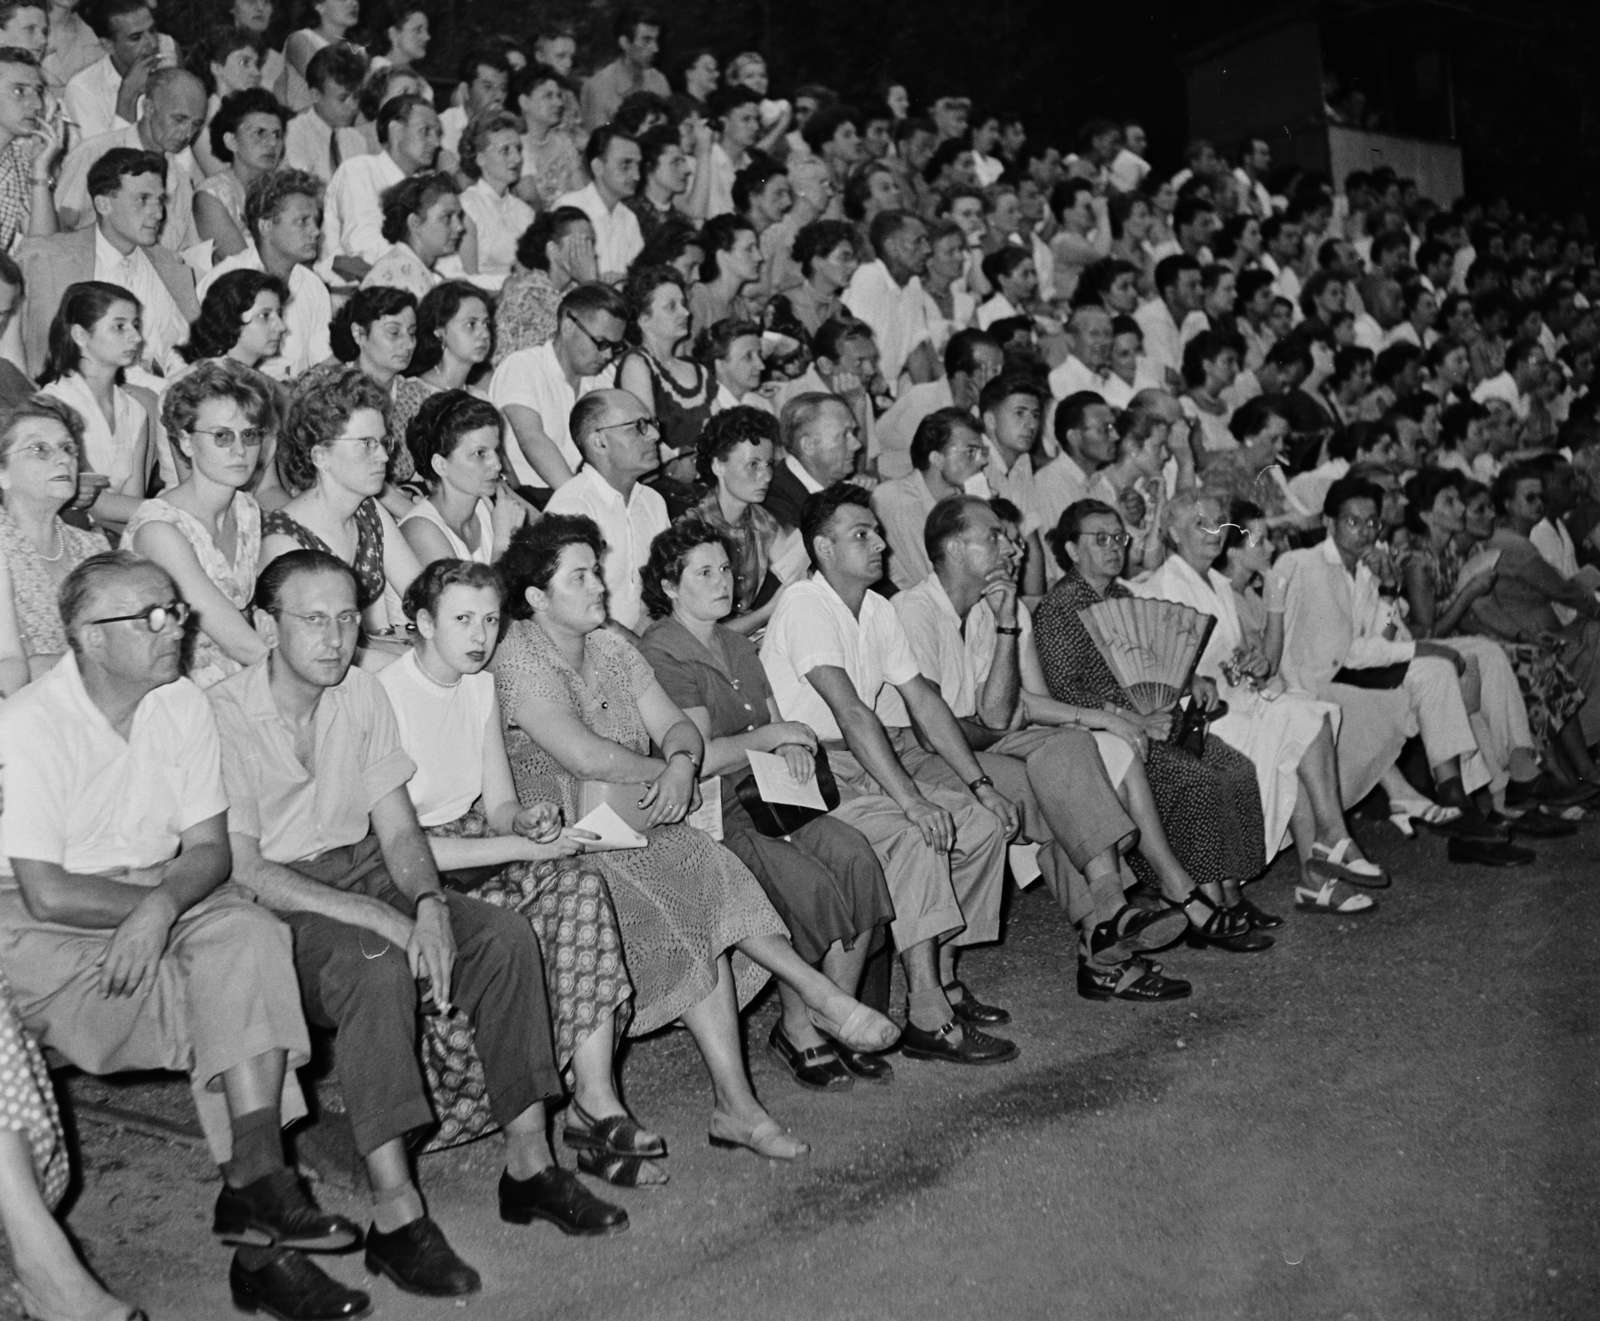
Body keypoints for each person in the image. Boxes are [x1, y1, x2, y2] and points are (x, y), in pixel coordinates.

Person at [211, 549, 628, 1297]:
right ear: (264, 624)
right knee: (375, 961)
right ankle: (397, 1216)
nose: (336, 637)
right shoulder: (222, 714)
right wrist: (388, 917)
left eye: (347, 617)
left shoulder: (360, 694)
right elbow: (243, 867)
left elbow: (399, 831)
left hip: (367, 867)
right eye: (314, 619)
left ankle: (531, 1165)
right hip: (279, 901)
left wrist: (431, 905)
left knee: (499, 938)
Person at [1, 550, 369, 1321]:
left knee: (251, 938)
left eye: (176, 609)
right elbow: (46, 887)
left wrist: (159, 909)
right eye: (150, 616)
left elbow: (208, 850)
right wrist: (151, 910)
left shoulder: (181, 704)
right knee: (227, 998)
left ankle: (261, 1186)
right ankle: (263, 1246)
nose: (175, 628)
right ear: (88, 638)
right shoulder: (31, 720)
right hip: (40, 919)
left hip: (154, 892)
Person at [492, 515, 898, 1157]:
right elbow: (587, 757)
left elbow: (678, 728)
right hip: (563, 838)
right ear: (538, 598)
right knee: (689, 897)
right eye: (581, 576)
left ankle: (742, 1102)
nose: (599, 585)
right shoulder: (520, 655)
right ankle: (806, 1015)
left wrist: (681, 764)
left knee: (706, 865)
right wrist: (672, 771)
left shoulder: (612, 645)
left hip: (633, 822)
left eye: (597, 571)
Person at [377, 559, 663, 1184]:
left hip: (472, 846)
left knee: (580, 884)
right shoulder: (386, 697)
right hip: (408, 872)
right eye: (461, 620)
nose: (479, 635)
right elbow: (397, 847)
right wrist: (520, 849)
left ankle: (595, 1099)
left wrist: (527, 821)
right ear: (423, 623)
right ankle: (546, 1116)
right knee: (548, 890)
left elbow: (498, 805)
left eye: (488, 619)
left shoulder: (480, 685)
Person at [759, 483, 1022, 1059]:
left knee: (979, 824)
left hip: (857, 762)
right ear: (823, 549)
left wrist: (980, 785)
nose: (880, 542)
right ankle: (929, 1014)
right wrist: (911, 800)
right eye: (862, 534)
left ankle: (943, 982)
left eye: (876, 530)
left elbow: (922, 699)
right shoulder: (805, 604)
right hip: (803, 772)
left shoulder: (876, 607)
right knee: (915, 833)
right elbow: (850, 712)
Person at [636, 520, 900, 1088]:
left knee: (854, 855)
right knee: (805, 882)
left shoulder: (733, 641)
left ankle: (824, 1019)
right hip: (716, 811)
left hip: (773, 793)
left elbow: (776, 720)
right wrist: (770, 739)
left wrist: (793, 744)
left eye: (726, 570)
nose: (722, 581)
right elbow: (698, 757)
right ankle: (804, 1026)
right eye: (703, 572)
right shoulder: (663, 650)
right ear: (670, 585)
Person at [898, 494, 1198, 990]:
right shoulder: (913, 609)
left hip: (980, 740)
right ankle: (1106, 942)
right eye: (993, 536)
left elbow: (1000, 711)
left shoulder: (984, 610)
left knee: (1070, 749)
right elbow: (939, 727)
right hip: (921, 752)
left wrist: (1005, 623)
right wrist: (999, 719)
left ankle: (1110, 919)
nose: (1009, 548)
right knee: (1061, 785)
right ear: (954, 547)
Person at [1033, 499, 1272, 949]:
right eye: (1099, 539)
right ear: (1070, 550)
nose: (1113, 548)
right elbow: (1064, 691)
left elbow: (1159, 659)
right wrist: (1131, 717)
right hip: (1107, 730)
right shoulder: (1059, 608)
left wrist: (1192, 677)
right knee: (1198, 780)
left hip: (1156, 718)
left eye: (1119, 538)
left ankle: (1230, 891)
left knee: (1236, 769)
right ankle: (1204, 902)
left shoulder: (1124, 596)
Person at [1134, 492, 1386, 914]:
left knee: (1307, 718)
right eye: (1201, 525)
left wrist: (1247, 662)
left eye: (1218, 522)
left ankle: (1324, 855)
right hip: (1195, 717)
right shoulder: (1163, 587)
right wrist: (1198, 676)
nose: (1215, 532)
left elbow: (1233, 657)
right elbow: (1155, 670)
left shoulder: (1216, 584)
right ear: (1173, 534)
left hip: (1234, 700)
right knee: (1301, 724)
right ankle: (1325, 853)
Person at [1274, 476, 1529, 864]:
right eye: (1352, 522)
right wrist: (1422, 647)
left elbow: (1387, 635)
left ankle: (1455, 800)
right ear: (1329, 523)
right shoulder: (1304, 565)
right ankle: (1462, 811)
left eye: (1373, 522)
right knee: (1435, 667)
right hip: (1315, 683)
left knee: (1439, 674)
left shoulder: (1366, 570)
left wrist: (1389, 589)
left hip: (1356, 673)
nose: (1364, 532)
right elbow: (1343, 652)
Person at [1399, 466, 1597, 802]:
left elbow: (1479, 616)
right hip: (1436, 653)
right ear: (1426, 514)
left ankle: (1571, 772)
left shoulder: (1449, 553)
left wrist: (1518, 636)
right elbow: (1432, 631)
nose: (1460, 508)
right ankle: (1549, 775)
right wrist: (1469, 593)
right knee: (1530, 666)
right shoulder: (1418, 563)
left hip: (1467, 644)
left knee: (1536, 659)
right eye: (1450, 502)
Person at [122, 359, 273, 687]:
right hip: (175, 691)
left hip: (238, 679)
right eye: (221, 436)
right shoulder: (159, 530)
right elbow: (239, 642)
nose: (239, 449)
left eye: (250, 435)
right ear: (187, 441)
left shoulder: (246, 509)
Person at [260, 364, 422, 638]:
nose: (383, 456)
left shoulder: (368, 511)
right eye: (366, 443)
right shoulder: (285, 541)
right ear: (321, 455)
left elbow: (422, 596)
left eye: (383, 442)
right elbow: (321, 650)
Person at [18, 147, 198, 381]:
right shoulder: (52, 261)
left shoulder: (171, 267)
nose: (158, 213)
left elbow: (182, 350)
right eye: (143, 199)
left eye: (159, 200)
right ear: (103, 205)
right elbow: (40, 361)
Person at [1469, 462, 1600, 783]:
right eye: (1529, 498)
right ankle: (1586, 758)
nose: (1539, 504)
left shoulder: (1519, 539)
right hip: (1534, 641)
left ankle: (1587, 755)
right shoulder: (1512, 544)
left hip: (1546, 635)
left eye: (1540, 497)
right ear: (1507, 504)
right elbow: (1565, 591)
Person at [0, 395, 107, 694]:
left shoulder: (94, 549)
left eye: (67, 448)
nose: (63, 459)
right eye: (39, 449)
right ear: (2, 472)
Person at [544, 389, 669, 634]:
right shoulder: (573, 506)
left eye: (652, 424)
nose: (654, 435)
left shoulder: (653, 502)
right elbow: (565, 611)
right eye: (638, 426)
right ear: (599, 442)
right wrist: (639, 650)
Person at [490, 282, 628, 493]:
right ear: (568, 326)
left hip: (583, 494)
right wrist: (577, 499)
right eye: (601, 343)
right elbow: (531, 438)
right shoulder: (524, 366)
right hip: (529, 496)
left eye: (615, 347)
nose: (608, 355)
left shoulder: (605, 377)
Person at [199, 168, 333, 382]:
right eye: (302, 221)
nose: (316, 231)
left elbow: (323, 361)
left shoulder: (312, 286)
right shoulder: (225, 281)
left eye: (316, 221)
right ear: (266, 226)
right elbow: (209, 368)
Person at [38, 280, 150, 537]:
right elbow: (97, 505)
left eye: (135, 325)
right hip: (66, 534)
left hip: (111, 538)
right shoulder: (55, 403)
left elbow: (133, 504)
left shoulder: (135, 411)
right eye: (119, 326)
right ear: (80, 335)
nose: (136, 337)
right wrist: (181, 511)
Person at [56, 66, 207, 253]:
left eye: (196, 125)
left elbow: (186, 250)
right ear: (149, 108)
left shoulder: (180, 179)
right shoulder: (94, 154)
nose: (187, 133)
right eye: (179, 119)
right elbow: (60, 227)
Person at [688, 405, 790, 633]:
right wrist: (769, 610)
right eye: (753, 464)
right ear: (718, 466)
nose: (766, 476)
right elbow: (700, 636)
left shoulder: (764, 523)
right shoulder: (691, 527)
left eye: (769, 465)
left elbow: (797, 576)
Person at [321, 91, 440, 283]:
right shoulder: (359, 170)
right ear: (396, 131)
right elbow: (361, 246)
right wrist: (424, 271)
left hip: (411, 282)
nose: (436, 142)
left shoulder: (425, 186)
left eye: (438, 134)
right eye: (425, 131)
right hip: (351, 289)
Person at [399, 389, 524, 567]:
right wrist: (503, 541)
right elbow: (478, 595)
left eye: (496, 450)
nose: (497, 464)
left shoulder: (488, 511)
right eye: (480, 453)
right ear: (440, 465)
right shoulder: (420, 531)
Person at [873, 406, 990, 590]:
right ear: (937, 459)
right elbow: (939, 581)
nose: (983, 461)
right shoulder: (897, 500)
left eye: (982, 452)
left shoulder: (960, 499)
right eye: (970, 452)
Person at [874, 328, 1004, 479]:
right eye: (993, 370)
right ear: (963, 376)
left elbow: (995, 466)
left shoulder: (975, 408)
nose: (1001, 378)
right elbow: (938, 469)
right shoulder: (923, 401)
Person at [617, 264, 712, 464]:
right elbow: (645, 436)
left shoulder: (696, 370)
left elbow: (720, 431)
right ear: (643, 318)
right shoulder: (637, 364)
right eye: (671, 307)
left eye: (683, 304)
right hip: (663, 480)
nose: (685, 312)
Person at [389, 279, 491, 452]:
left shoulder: (479, 398)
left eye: (486, 324)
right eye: (471, 324)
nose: (484, 334)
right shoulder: (414, 395)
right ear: (439, 330)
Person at [843, 210, 938, 391]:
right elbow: (855, 346)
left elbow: (916, 350)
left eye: (926, 240)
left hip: (889, 390)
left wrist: (925, 400)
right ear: (891, 246)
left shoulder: (913, 284)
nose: (927, 249)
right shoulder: (869, 277)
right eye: (918, 241)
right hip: (859, 388)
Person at [492, 205, 596, 365]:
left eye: (592, 243)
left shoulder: (575, 290)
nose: (590, 252)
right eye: (581, 243)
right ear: (553, 249)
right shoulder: (528, 296)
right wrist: (591, 284)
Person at [193, 87, 287, 260]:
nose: (272, 143)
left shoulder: (283, 192)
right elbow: (243, 266)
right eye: (260, 133)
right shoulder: (211, 197)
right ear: (231, 141)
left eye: (277, 135)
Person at [555, 126, 644, 283]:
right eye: (625, 166)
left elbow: (637, 275)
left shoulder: (629, 218)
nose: (636, 176)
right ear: (598, 167)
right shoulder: (570, 207)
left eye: (638, 166)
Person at [456, 108, 534, 283]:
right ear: (480, 158)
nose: (517, 159)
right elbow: (468, 278)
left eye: (518, 149)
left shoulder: (525, 212)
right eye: (505, 150)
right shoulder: (466, 206)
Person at [62, 0, 159, 139]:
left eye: (152, 31)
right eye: (136, 37)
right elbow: (103, 158)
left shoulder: (167, 70)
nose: (153, 43)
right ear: (108, 46)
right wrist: (127, 97)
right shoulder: (82, 90)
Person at [764, 391, 861, 530]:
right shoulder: (775, 502)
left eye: (853, 432)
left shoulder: (844, 491)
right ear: (808, 445)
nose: (857, 444)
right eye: (844, 435)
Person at [362, 170, 464, 299]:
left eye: (458, 216)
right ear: (415, 223)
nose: (459, 227)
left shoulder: (411, 267)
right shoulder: (402, 279)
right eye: (447, 217)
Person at [0, 46, 60, 256]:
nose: (36, 104)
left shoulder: (19, 161)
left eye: (39, 92)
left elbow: (43, 251)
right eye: (19, 91)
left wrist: (40, 170)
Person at [281, 40, 365, 183]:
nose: (353, 106)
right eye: (343, 98)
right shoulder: (293, 133)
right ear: (315, 95)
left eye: (356, 96)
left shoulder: (356, 140)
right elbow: (305, 187)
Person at [768, 218, 858, 344]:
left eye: (853, 258)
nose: (854, 265)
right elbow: (765, 358)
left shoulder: (843, 312)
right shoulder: (781, 307)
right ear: (817, 261)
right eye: (844, 258)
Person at [511, 61, 585, 213]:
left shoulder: (565, 142)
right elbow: (528, 203)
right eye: (548, 96)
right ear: (524, 102)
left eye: (558, 96)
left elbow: (581, 195)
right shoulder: (514, 145)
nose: (558, 103)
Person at [580, 6, 668, 132]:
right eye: (646, 40)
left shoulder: (659, 81)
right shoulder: (598, 87)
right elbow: (599, 144)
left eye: (656, 40)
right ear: (625, 43)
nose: (655, 48)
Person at [283, 0, 361, 114]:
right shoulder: (300, 40)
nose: (354, 3)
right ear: (319, 6)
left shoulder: (356, 50)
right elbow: (330, 84)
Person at [690, 212, 762, 332]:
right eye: (749, 249)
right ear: (723, 256)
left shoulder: (739, 307)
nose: (759, 257)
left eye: (756, 248)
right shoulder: (698, 299)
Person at [438, 46, 509, 157]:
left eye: (503, 89)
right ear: (465, 90)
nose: (498, 96)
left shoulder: (509, 127)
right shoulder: (443, 127)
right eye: (488, 87)